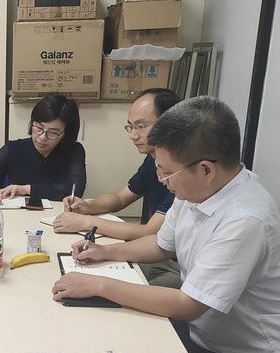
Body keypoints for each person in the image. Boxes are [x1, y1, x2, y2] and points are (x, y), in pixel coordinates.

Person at [51, 96, 280, 353]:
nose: (161, 180)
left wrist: (99, 285)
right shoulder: (198, 189)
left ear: (205, 169)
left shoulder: (245, 219)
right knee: (119, 348)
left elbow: (188, 305)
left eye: (166, 173)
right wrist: (105, 252)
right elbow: (162, 245)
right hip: (209, 338)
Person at [52, 88, 182, 287]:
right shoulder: (153, 160)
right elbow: (120, 198)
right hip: (154, 252)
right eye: (130, 127)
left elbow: (150, 232)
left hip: (175, 265)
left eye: (141, 126)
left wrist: (86, 222)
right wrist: (88, 206)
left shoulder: (182, 172)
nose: (133, 135)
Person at [0, 94, 85, 203]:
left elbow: (74, 192)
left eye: (52, 133)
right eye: (38, 128)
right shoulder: (13, 149)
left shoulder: (74, 151)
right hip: (19, 216)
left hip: (58, 216)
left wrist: (25, 189)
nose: (42, 137)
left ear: (65, 134)